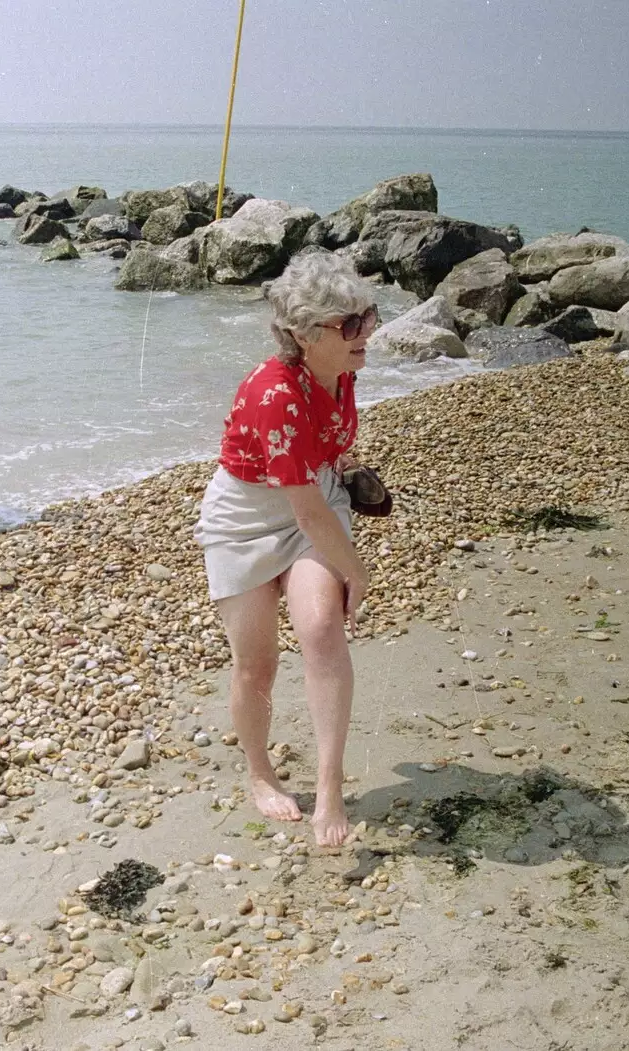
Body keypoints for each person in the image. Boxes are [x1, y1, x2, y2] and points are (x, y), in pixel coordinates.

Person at [194, 252, 378, 846]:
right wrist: (359, 572)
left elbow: (317, 480)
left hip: (315, 504)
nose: (366, 333)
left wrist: (348, 470)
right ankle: (260, 774)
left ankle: (329, 786)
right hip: (245, 520)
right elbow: (303, 509)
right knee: (257, 664)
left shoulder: (342, 370)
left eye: (368, 316)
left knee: (323, 628)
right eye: (349, 324)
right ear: (303, 333)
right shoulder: (274, 393)